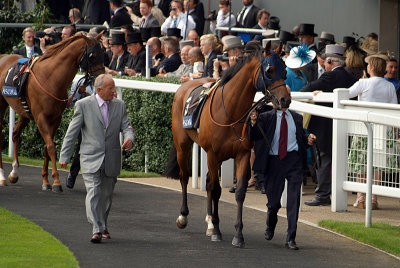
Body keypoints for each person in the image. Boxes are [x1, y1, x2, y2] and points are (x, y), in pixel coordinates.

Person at [59, 74, 134, 243]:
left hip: (112, 158)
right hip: (90, 157)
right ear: (99, 90)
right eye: (110, 88)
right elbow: (71, 133)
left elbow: (127, 126)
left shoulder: (120, 105)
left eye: (114, 88)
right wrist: (65, 156)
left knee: (106, 195)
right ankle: (96, 229)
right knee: (93, 192)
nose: (114, 91)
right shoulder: (83, 105)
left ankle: (102, 224)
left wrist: (129, 139)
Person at [249, 90, 316, 250]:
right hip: (274, 162)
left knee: (294, 201)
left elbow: (300, 139)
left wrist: (309, 139)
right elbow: (254, 136)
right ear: (275, 100)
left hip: (293, 162)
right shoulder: (265, 117)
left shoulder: (297, 118)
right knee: (274, 204)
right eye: (282, 97)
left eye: (287, 97)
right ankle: (270, 224)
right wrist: (253, 122)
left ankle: (291, 238)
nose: (285, 99)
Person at [301, 44, 357, 206]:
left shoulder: (328, 77)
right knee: (337, 160)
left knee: (323, 159)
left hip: (325, 126)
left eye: (325, 61)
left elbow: (306, 89)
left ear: (331, 61)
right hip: (345, 125)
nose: (324, 65)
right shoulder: (352, 78)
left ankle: (322, 195)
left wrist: (316, 93)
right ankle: (329, 193)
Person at [348, 54, 398, 210]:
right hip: (383, 129)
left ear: (370, 68)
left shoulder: (363, 83)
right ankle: (374, 198)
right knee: (377, 164)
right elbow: (394, 109)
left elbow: (345, 94)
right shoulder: (390, 86)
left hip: (363, 127)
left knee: (360, 162)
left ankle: (360, 197)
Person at [65, 79, 95, 189]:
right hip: (86, 123)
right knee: (80, 151)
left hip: (101, 123)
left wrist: (87, 94)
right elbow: (70, 103)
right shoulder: (79, 82)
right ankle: (72, 175)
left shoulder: (104, 82)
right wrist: (79, 93)